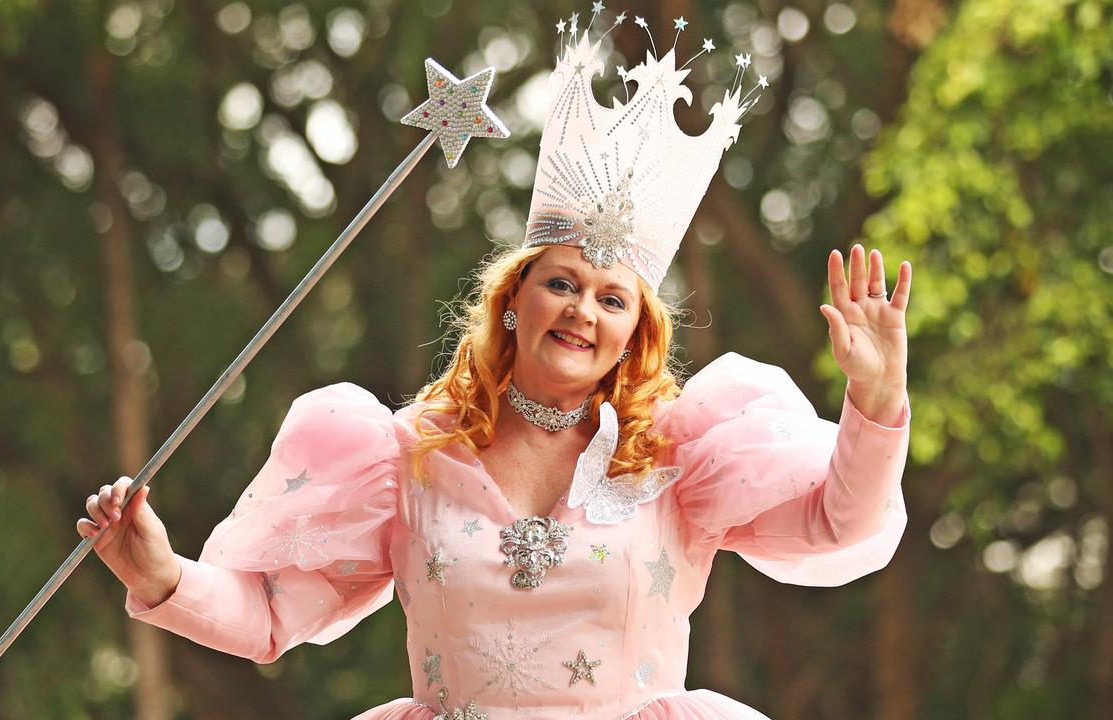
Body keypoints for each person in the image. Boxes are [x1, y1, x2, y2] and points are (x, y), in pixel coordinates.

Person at [78, 19, 913, 720]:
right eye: (562, 283)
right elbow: (266, 619)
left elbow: (843, 525)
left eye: (612, 300)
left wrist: (875, 404)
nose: (584, 310)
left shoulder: (678, 455)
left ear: (635, 334)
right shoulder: (399, 456)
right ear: (514, 302)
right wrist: (162, 574)